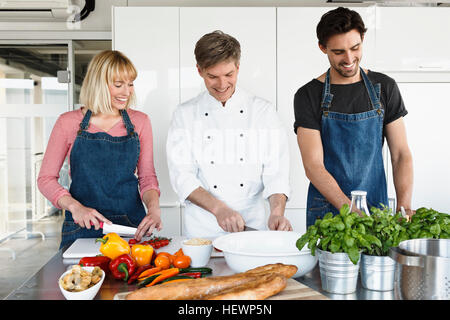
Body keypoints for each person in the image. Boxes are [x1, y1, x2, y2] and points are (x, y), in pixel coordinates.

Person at [294, 7, 414, 227]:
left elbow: (400, 155)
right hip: (329, 216)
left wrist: (403, 207)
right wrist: (352, 212)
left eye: (355, 48)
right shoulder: (308, 95)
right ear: (323, 48)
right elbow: (313, 166)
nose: (349, 58)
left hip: (376, 210)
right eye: (338, 52)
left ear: (363, 39)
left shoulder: (385, 87)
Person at [166, 30, 292, 238]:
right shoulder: (185, 114)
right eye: (212, 77)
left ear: (238, 68)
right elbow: (182, 176)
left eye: (229, 75)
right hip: (203, 229)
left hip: (253, 224)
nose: (222, 84)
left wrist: (277, 213)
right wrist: (219, 209)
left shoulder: (262, 111)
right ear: (199, 71)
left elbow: (276, 172)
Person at [38, 50, 162, 248]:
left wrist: (154, 209)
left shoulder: (140, 122)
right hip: (81, 226)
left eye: (130, 84)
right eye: (119, 85)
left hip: (131, 226)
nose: (127, 92)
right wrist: (75, 207)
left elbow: (147, 177)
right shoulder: (68, 122)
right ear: (98, 84)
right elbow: (45, 179)